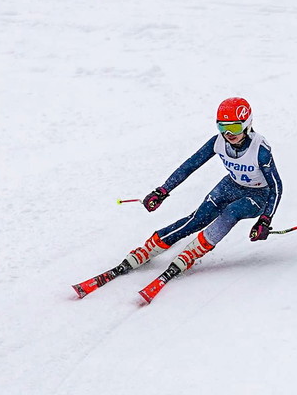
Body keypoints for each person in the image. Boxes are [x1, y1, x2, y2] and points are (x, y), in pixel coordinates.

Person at [73, 96, 283, 301]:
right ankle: (150, 248)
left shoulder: (260, 150)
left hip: (259, 195)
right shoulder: (218, 142)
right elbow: (190, 165)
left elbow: (276, 186)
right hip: (231, 185)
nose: (228, 134)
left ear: (247, 125)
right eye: (222, 127)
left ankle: (191, 253)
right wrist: (163, 191)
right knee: (196, 218)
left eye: (235, 128)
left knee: (232, 211)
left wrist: (265, 219)